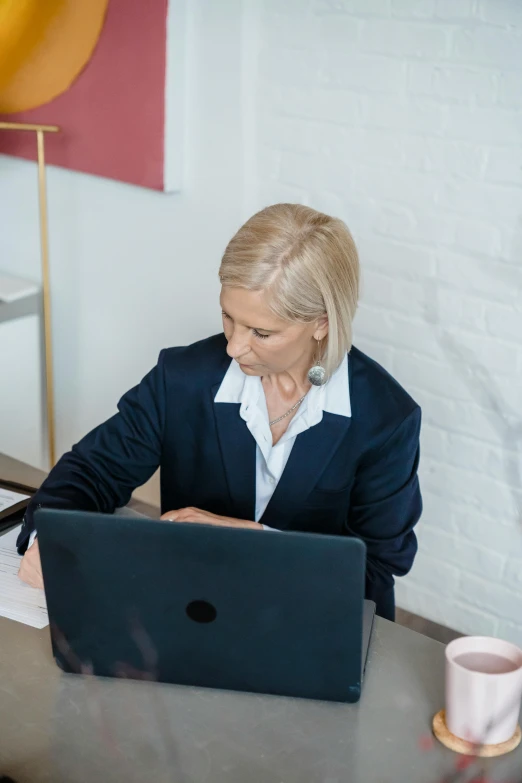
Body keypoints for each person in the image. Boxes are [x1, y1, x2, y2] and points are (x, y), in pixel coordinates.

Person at [18, 203, 422, 620]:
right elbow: (92, 471)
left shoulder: (386, 420)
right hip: (191, 608)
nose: (233, 347)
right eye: (228, 317)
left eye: (261, 333)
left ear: (321, 323)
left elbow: (375, 568)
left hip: (308, 620)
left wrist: (256, 539)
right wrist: (52, 536)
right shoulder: (181, 378)